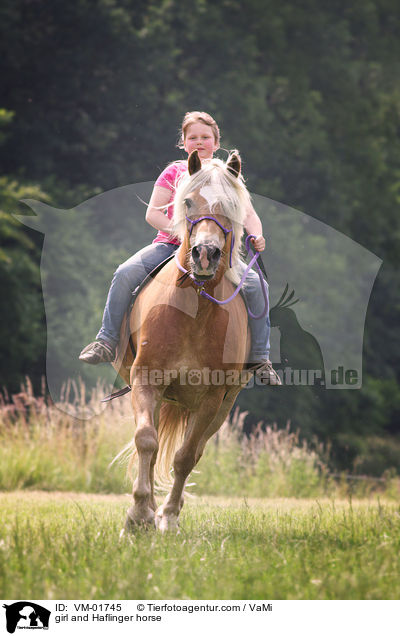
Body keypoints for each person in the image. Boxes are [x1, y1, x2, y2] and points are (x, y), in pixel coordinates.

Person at [79, 111, 281, 385]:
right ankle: (105, 341)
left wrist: (257, 235)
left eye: (205, 137)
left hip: (217, 253)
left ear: (216, 142)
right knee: (125, 272)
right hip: (171, 246)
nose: (199, 142)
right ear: (183, 143)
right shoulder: (174, 172)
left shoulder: (227, 177)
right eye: (193, 137)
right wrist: (187, 234)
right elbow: (152, 214)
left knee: (259, 287)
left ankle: (260, 358)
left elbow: (249, 216)